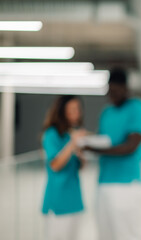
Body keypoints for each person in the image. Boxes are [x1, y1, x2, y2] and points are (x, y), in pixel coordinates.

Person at [83, 68, 141, 240]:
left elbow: (130, 146)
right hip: (103, 183)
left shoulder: (138, 108)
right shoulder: (107, 112)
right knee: (104, 234)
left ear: (125, 88)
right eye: (108, 90)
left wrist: (94, 149)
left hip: (126, 185)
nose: (110, 95)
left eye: (114, 90)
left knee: (126, 234)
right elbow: (102, 139)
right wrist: (85, 141)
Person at [41, 95, 87, 240]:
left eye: (78, 109)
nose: (76, 114)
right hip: (58, 201)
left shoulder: (72, 132)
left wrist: (81, 153)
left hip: (75, 199)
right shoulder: (51, 134)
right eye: (72, 110)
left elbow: (80, 166)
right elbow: (55, 165)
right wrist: (73, 144)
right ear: (62, 112)